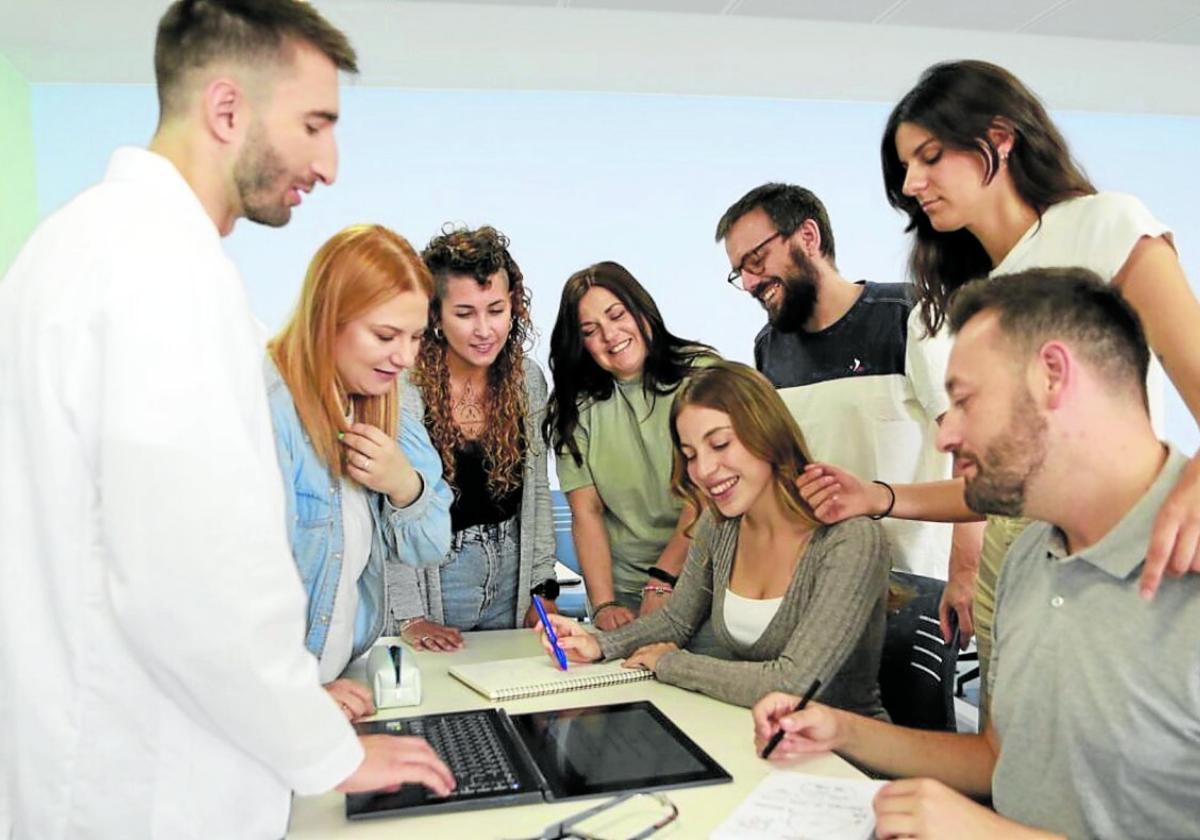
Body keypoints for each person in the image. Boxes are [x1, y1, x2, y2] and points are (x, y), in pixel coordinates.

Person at [0, 3, 452, 836]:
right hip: (150, 790)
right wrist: (331, 752)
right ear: (226, 108)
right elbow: (191, 575)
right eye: (314, 124)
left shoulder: (69, 249)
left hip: (93, 768)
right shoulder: (163, 273)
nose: (330, 162)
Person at [802, 58, 1200, 720]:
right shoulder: (976, 289)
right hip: (1012, 567)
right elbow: (999, 479)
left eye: (929, 157)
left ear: (1001, 137)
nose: (911, 183)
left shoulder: (1104, 225)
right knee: (1015, 766)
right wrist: (880, 497)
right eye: (905, 167)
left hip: (1106, 563)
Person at [755, 268, 1200, 839]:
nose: (944, 436)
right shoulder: (1028, 555)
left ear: (1053, 376)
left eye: (964, 401)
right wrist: (841, 731)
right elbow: (1000, 757)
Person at [537, 361, 890, 713]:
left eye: (720, 444)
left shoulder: (850, 540)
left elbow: (792, 685)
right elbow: (675, 620)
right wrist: (598, 644)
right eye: (690, 455)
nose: (703, 471)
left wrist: (672, 664)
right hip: (760, 737)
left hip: (843, 758)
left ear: (768, 433)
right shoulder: (720, 525)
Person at [715, 183, 984, 584]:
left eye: (757, 259)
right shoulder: (768, 349)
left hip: (914, 580)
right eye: (741, 272)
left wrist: (965, 573)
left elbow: (975, 455)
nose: (751, 282)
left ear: (808, 237)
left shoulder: (909, 317)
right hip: (823, 582)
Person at [266, 224, 452, 717]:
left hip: (333, 688)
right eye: (386, 336)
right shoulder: (267, 411)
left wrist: (404, 485)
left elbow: (432, 544)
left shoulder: (384, 408)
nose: (405, 357)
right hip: (278, 706)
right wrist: (293, 693)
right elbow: (230, 594)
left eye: (415, 337)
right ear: (329, 320)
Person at [385, 226, 559, 649]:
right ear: (436, 315)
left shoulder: (527, 380)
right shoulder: (404, 389)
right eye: (465, 314)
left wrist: (542, 592)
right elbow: (389, 510)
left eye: (495, 310)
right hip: (438, 584)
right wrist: (410, 616)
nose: (484, 330)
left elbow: (534, 496)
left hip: (509, 582)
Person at [542, 262, 720, 646]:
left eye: (617, 315)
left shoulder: (704, 376)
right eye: (590, 331)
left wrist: (663, 579)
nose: (610, 335)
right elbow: (586, 513)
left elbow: (707, 495)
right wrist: (605, 604)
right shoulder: (576, 409)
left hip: (707, 580)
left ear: (642, 311)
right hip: (627, 594)